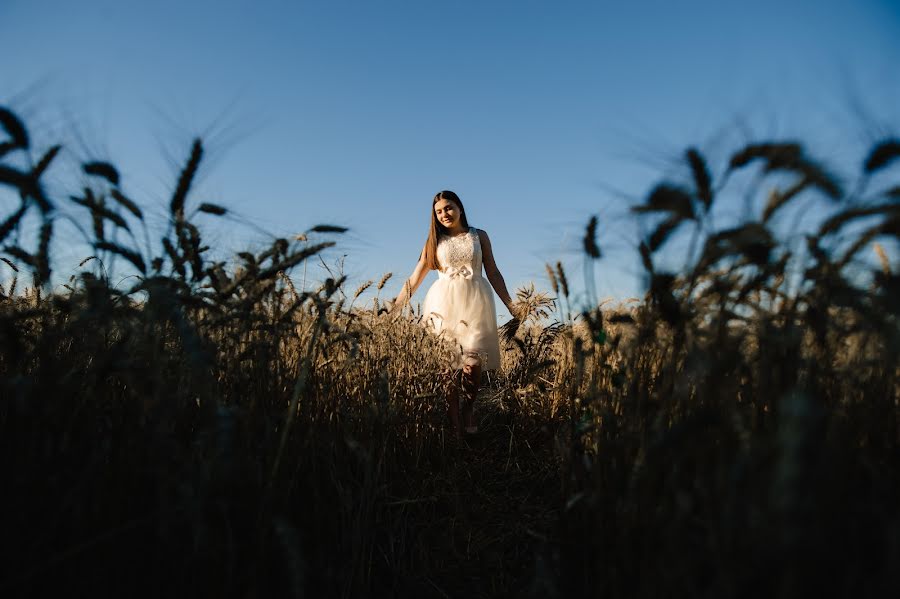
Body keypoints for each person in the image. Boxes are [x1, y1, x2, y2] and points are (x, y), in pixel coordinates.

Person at [391, 190, 516, 437]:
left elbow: (493, 272)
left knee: (472, 364)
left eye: (448, 208)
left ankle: (468, 407)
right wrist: (392, 309)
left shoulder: (479, 236)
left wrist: (512, 306)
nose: (444, 214)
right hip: (443, 305)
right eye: (438, 211)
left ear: (459, 208)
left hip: (476, 304)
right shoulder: (433, 241)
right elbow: (415, 279)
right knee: (447, 368)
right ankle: (456, 425)